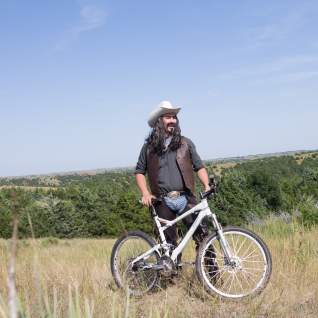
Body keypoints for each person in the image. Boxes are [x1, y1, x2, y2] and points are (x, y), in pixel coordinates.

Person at [134, 101, 211, 256]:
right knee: (168, 246)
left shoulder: (185, 143)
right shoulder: (149, 147)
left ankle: (213, 277)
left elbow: (199, 166)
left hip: (186, 198)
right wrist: (145, 193)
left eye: (174, 117)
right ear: (159, 121)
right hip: (162, 201)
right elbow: (139, 172)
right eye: (168, 117)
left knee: (203, 237)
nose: (172, 121)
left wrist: (207, 185)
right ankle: (172, 279)